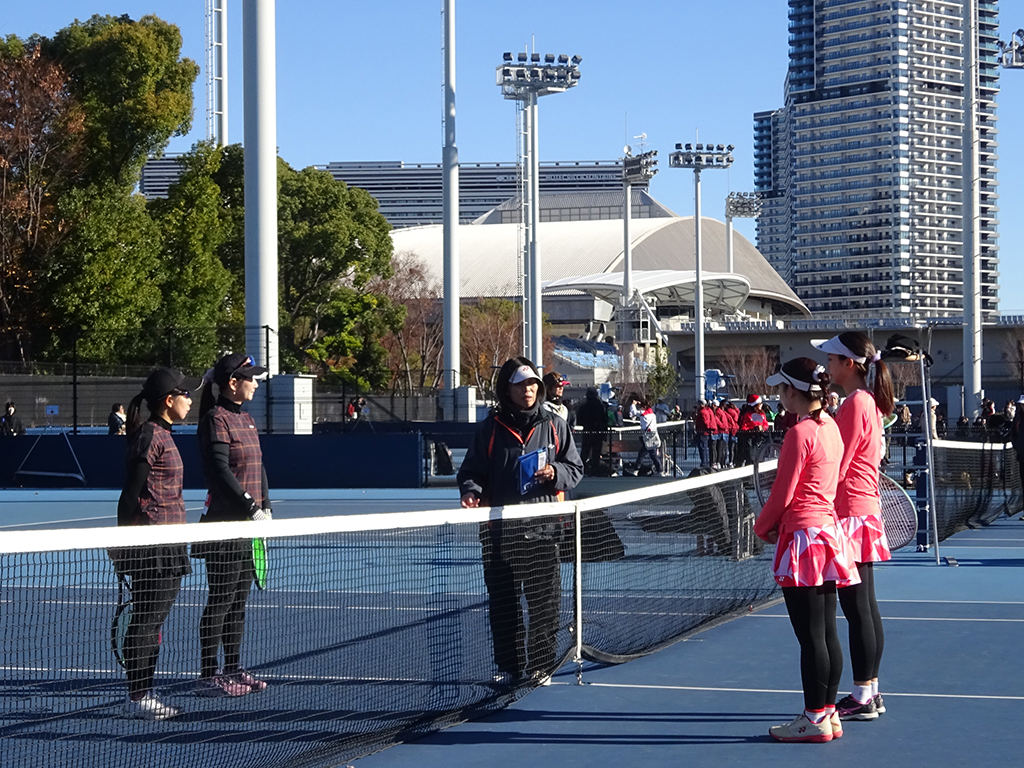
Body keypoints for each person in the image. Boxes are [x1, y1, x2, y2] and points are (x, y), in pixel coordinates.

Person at [457, 358, 583, 685]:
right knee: (504, 605)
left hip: (544, 531)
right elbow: (472, 471)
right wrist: (471, 491)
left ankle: (540, 666)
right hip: (499, 532)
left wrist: (555, 472)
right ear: (507, 389)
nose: (527, 390)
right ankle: (509, 667)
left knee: (545, 606)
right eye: (520, 385)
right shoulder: (489, 429)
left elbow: (575, 468)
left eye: (532, 385)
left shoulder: (555, 426)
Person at [755, 357, 859, 743]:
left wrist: (762, 527)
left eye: (782, 389)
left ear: (793, 391)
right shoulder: (830, 427)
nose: (779, 396)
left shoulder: (800, 433)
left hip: (804, 538)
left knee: (811, 636)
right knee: (826, 631)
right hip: (827, 536)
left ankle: (814, 717)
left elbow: (783, 493)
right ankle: (827, 713)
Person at [813, 332, 894, 722]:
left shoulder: (856, 404)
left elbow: (837, 464)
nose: (827, 366)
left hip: (850, 513)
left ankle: (863, 694)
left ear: (849, 364)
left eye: (831, 359)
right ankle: (869, 691)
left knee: (857, 607)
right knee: (864, 606)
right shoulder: (866, 402)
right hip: (862, 510)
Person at [113, 368, 201, 720]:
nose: (190, 400)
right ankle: (138, 697)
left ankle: (144, 691)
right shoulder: (149, 436)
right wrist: (124, 545)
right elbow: (129, 496)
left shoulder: (163, 434)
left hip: (170, 543)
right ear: (168, 400)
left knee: (153, 622)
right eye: (185, 394)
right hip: (152, 546)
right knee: (147, 622)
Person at [194, 353, 271, 697]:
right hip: (224, 526)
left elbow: (258, 466)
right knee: (221, 600)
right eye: (250, 377)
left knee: (238, 602)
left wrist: (266, 506)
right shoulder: (216, 419)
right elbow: (221, 470)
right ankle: (208, 674)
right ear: (233, 383)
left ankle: (233, 668)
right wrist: (250, 506)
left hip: (248, 528)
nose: (255, 383)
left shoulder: (247, 419)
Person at [576, 387, 608, 476]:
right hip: (598, 432)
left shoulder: (584, 406)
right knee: (596, 453)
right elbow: (605, 420)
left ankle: (581, 470)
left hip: (587, 431)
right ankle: (595, 470)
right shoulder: (600, 406)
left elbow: (579, 420)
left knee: (585, 452)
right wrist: (604, 433)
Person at [634, 400, 663, 476]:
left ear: (644, 407)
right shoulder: (653, 414)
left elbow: (633, 412)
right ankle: (659, 470)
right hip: (653, 435)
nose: (640, 408)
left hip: (647, 437)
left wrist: (633, 404)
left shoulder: (644, 415)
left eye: (641, 407)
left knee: (647, 454)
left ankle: (636, 469)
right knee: (650, 454)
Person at [694, 400, 713, 467]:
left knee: (702, 447)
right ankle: (705, 462)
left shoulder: (702, 412)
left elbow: (705, 422)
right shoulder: (706, 411)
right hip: (704, 432)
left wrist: (706, 427)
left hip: (702, 432)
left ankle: (704, 463)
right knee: (704, 447)